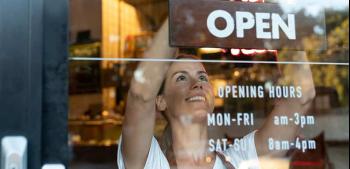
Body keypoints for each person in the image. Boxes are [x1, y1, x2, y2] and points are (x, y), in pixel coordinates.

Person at [117, 19, 316, 169]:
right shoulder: (150, 161)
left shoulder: (239, 160)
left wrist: (277, 17)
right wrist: (184, 12)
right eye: (181, 78)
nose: (197, 84)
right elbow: (141, 96)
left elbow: (301, 98)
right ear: (160, 101)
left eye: (203, 77)